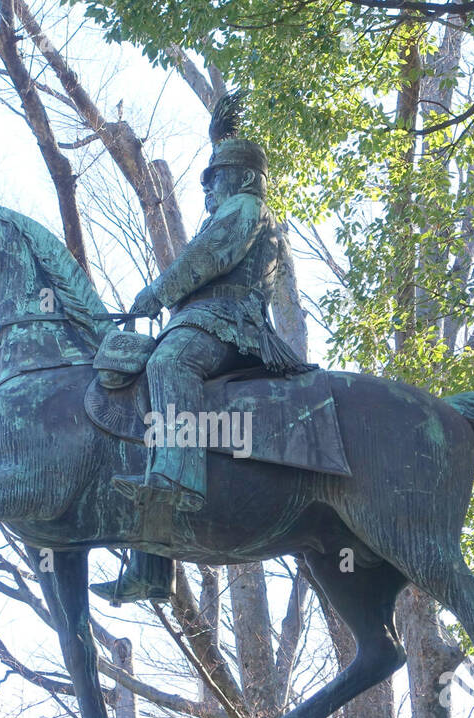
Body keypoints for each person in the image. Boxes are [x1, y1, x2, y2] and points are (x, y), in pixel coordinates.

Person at [91, 96, 311, 604]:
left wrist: (158, 292)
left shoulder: (248, 207)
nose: (206, 187)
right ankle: (151, 564)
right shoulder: (237, 203)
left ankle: (176, 477)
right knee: (144, 386)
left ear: (243, 179)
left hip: (229, 324)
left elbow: (209, 257)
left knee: (171, 361)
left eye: (214, 176)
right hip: (205, 320)